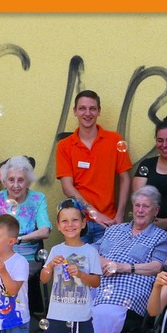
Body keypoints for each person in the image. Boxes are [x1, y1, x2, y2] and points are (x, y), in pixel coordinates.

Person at [56, 186, 167, 333]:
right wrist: (102, 262)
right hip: (100, 283)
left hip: (129, 290)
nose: (140, 210)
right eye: (137, 205)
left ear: (156, 211)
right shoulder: (115, 230)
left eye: (146, 206)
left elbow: (158, 266)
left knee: (101, 314)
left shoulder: (161, 237)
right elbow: (90, 250)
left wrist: (124, 267)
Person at [20, 201, 114, 333]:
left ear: (83, 224)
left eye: (74, 220)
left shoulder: (90, 252)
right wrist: (50, 266)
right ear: (58, 225)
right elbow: (44, 279)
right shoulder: (55, 250)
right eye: (65, 221)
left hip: (82, 315)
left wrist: (80, 274)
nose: (70, 224)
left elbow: (96, 282)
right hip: (57, 315)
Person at [56, 90, 132, 244]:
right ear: (75, 111)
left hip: (109, 222)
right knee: (77, 267)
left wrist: (120, 214)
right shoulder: (64, 146)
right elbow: (67, 186)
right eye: (82, 108)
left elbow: (125, 179)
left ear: (99, 111)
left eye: (92, 108)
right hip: (77, 223)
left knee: (105, 267)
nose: (87, 113)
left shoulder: (114, 140)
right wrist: (94, 214)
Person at [0, 156, 51, 271]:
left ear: (28, 182)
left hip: (27, 259)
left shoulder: (37, 199)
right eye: (11, 180)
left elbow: (45, 231)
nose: (16, 185)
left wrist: (18, 239)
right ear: (4, 182)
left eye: (21, 180)